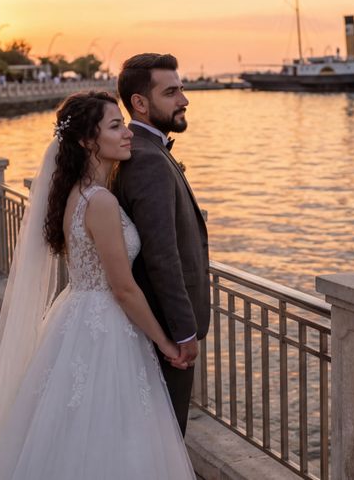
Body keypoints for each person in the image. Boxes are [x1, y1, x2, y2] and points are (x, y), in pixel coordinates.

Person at [0, 90, 195, 479]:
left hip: (78, 314)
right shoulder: (99, 201)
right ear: (87, 140)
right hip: (107, 326)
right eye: (115, 126)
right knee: (108, 435)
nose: (127, 132)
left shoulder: (76, 193)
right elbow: (123, 288)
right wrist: (167, 343)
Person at [113, 53, 210, 434]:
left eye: (181, 89)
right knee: (166, 436)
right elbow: (162, 255)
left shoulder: (139, 150)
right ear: (140, 102)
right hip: (166, 332)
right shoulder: (146, 159)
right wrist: (184, 332)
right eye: (171, 92)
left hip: (154, 325)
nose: (183, 100)